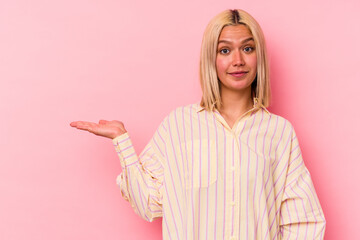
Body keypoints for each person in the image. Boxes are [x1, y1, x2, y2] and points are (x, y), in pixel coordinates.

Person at [70, 9, 326, 240]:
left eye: (247, 48)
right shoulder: (178, 125)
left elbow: (303, 221)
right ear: (210, 59)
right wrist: (121, 140)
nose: (238, 60)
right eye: (224, 50)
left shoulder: (279, 133)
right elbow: (148, 203)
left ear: (258, 56)